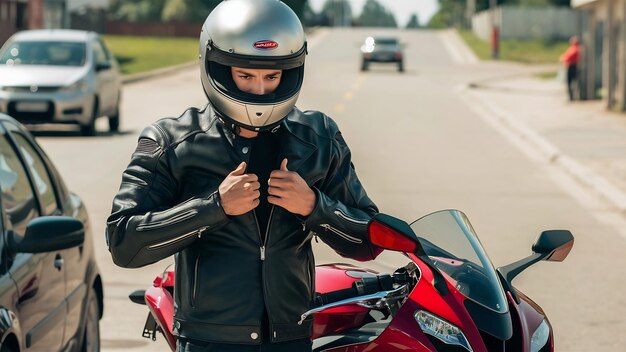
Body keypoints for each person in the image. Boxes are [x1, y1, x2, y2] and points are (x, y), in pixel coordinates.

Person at [105, 1, 381, 351]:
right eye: (245, 75)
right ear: (217, 67)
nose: (260, 90)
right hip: (209, 341)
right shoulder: (170, 141)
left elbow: (370, 238)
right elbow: (123, 242)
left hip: (291, 338)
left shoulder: (319, 137)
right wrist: (213, 207)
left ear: (290, 70)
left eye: (272, 76)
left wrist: (315, 206)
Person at [559, 36, 581, 101]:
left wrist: (563, 59)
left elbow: (567, 57)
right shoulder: (574, 48)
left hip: (572, 66)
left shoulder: (574, 49)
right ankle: (572, 96)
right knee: (572, 82)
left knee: (570, 82)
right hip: (572, 66)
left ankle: (571, 97)